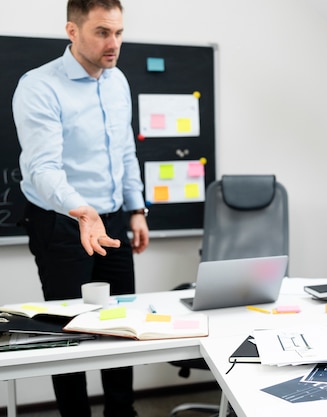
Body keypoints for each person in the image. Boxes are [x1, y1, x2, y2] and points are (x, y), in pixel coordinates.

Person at [12, 1, 149, 416]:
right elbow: (42, 168)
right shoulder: (39, 85)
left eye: (119, 33)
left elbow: (125, 150)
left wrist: (136, 208)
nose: (114, 44)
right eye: (103, 33)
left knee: (122, 327)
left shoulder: (117, 80)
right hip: (61, 222)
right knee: (68, 332)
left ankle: (121, 413)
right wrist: (81, 211)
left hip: (111, 220)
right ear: (72, 31)